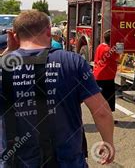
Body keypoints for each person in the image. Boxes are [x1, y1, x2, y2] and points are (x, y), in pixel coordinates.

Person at [0, 10, 115, 166]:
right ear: (48, 31)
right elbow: (101, 111)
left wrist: (8, 53)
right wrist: (108, 142)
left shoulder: (4, 67)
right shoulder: (72, 62)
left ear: (14, 36)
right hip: (66, 162)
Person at [93, 30, 119, 117]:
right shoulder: (110, 50)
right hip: (107, 76)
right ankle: (107, 117)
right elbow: (119, 56)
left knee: (101, 97)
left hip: (98, 75)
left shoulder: (100, 46)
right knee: (108, 98)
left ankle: (101, 115)